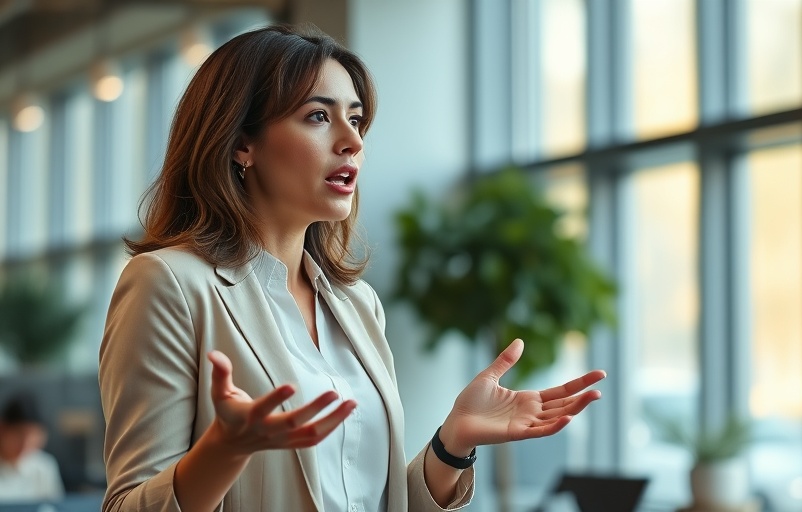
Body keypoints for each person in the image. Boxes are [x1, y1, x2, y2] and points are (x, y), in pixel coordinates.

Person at [98, 24, 606, 512]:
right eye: (319, 116)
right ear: (240, 143)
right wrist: (223, 451)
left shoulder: (357, 305)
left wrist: (453, 442)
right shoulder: (168, 284)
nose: (353, 141)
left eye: (357, 120)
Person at [0, 392, 65, 503]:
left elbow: (55, 507)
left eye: (33, 436)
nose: (25, 444)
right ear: (2, 429)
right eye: (19, 434)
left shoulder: (44, 466)